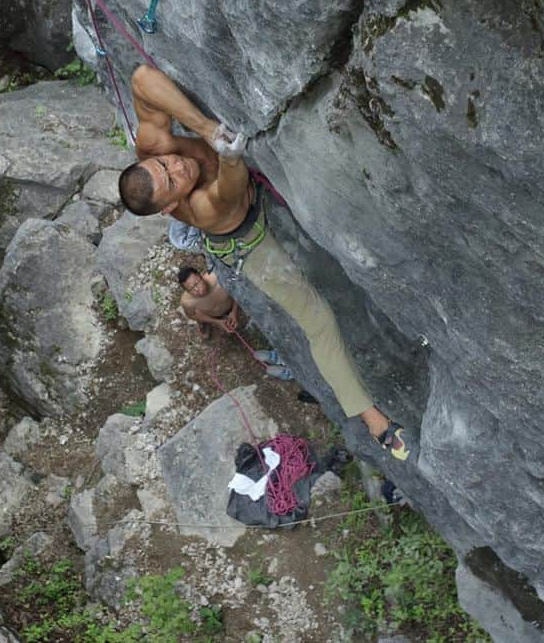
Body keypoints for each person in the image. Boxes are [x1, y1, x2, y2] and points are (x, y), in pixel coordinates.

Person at [118, 65, 410, 461]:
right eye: (171, 180)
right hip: (249, 241)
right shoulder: (198, 207)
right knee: (319, 320)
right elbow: (227, 190)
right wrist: (231, 158)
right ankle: (374, 420)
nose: (178, 167)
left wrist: (204, 128)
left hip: (240, 198)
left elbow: (141, 79)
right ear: (169, 205)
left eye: (165, 165)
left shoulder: (155, 148)